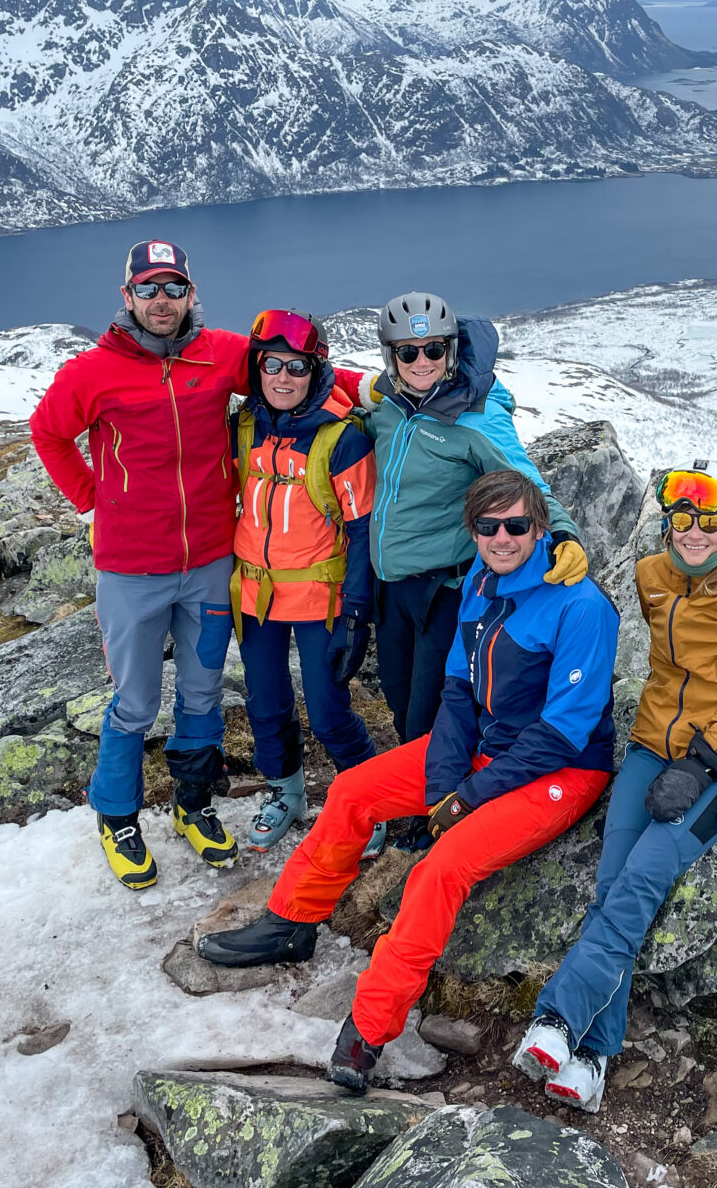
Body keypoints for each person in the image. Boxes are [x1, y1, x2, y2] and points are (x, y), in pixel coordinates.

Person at [195, 469, 619, 1094]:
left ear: (540, 528)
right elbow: (457, 690)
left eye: (516, 525)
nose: (502, 537)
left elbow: (562, 732)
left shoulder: (580, 604)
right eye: (488, 525)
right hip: (480, 748)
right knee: (350, 793)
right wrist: (446, 780)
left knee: (440, 870)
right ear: (473, 530)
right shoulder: (481, 581)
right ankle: (290, 923)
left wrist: (469, 797)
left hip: (558, 770)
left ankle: (369, 1029)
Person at [513, 462, 717, 1112]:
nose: (692, 532)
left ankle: (557, 1021)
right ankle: (595, 1060)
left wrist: (700, 766)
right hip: (650, 746)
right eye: (681, 519)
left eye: (707, 520)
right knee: (611, 887)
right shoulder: (651, 576)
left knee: (639, 885)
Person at [29, 239, 251, 889]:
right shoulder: (92, 372)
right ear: (127, 297)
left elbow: (294, 367)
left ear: (190, 294)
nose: (163, 300)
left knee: (204, 693)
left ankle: (192, 806)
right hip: (131, 570)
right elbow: (48, 432)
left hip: (209, 560)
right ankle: (117, 815)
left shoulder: (221, 354)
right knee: (135, 702)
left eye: (174, 287)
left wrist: (386, 384)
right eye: (149, 288)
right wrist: (93, 499)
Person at [361, 292, 588, 848]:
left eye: (433, 350)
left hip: (445, 586)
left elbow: (524, 483)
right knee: (395, 695)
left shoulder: (477, 416)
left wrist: (561, 534)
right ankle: (420, 793)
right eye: (407, 352)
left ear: (452, 349)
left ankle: (433, 813)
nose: (421, 363)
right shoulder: (388, 403)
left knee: (431, 708)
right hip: (391, 586)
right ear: (390, 356)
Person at [229, 309, 385, 859]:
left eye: (297, 366)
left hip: (322, 600)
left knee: (327, 710)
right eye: (272, 364)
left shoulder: (340, 440)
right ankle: (285, 792)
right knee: (266, 703)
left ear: (315, 371)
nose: (283, 377)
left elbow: (364, 528)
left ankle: (368, 801)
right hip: (256, 596)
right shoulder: (244, 427)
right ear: (258, 368)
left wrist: (358, 613)